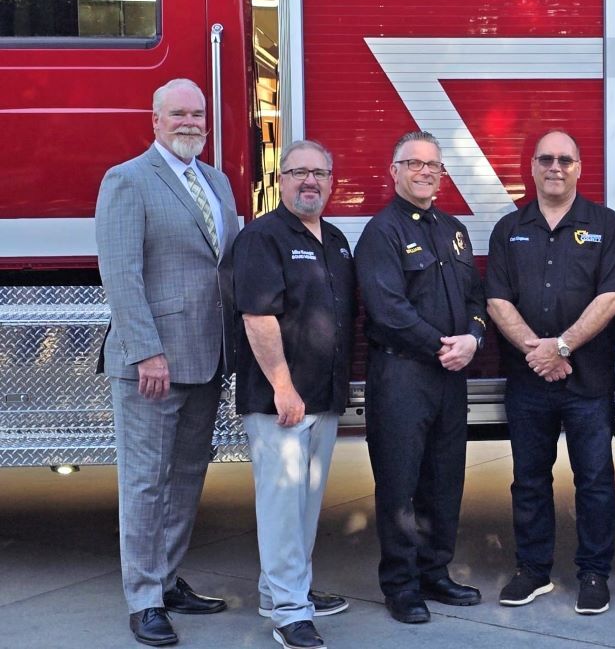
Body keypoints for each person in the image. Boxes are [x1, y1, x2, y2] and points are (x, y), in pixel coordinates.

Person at [95, 77, 237, 647]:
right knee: (145, 483)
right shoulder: (127, 180)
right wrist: (147, 350)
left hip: (206, 358)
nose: (190, 122)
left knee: (185, 478)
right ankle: (143, 598)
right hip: (152, 365)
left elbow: (222, 268)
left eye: (198, 114)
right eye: (177, 113)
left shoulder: (218, 181)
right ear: (155, 120)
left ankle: (167, 579)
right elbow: (121, 275)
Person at [486, 130, 615, 616]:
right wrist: (538, 351)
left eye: (565, 159)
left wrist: (563, 346)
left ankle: (594, 573)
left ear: (579, 167)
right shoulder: (509, 228)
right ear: (531, 166)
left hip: (587, 381)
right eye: (546, 159)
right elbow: (497, 300)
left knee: (594, 479)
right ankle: (533, 570)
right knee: (529, 479)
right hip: (529, 380)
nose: (555, 167)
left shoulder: (606, 226)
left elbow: (612, 297)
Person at [355, 131, 487, 625]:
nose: (426, 172)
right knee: (400, 484)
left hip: (450, 376)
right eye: (415, 164)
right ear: (395, 172)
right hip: (403, 375)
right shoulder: (382, 232)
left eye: (434, 165)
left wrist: (473, 338)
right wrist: (443, 346)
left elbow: (476, 297)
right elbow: (388, 310)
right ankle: (401, 585)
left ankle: (435, 572)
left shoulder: (454, 229)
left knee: (444, 480)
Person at [230, 140, 353, 649]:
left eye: (319, 173)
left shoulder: (337, 239)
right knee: (283, 508)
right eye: (299, 172)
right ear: (280, 181)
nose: (310, 182)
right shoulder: (263, 237)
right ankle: (289, 612)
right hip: (280, 400)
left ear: (332, 181)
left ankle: (282, 589)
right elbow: (258, 316)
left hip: (321, 398)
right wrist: (283, 387)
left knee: (303, 507)